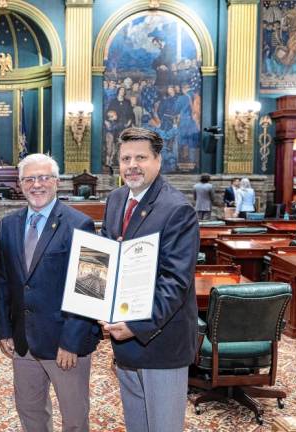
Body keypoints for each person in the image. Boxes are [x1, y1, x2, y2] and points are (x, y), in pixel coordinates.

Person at [99, 127, 199, 432]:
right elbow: (107, 259)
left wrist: (135, 326)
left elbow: (174, 283)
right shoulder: (116, 199)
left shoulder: (177, 209)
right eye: (125, 158)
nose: (132, 165)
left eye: (140, 157)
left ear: (158, 160)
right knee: (137, 426)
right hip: (125, 343)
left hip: (160, 343)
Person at [0, 153, 101, 432]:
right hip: (23, 342)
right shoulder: (8, 225)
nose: (37, 185)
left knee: (75, 418)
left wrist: (71, 341)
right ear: (20, 184)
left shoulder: (80, 224)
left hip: (64, 344)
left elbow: (91, 288)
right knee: (30, 412)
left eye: (44, 178)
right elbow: (3, 280)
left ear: (56, 182)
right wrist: (4, 330)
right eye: (29, 179)